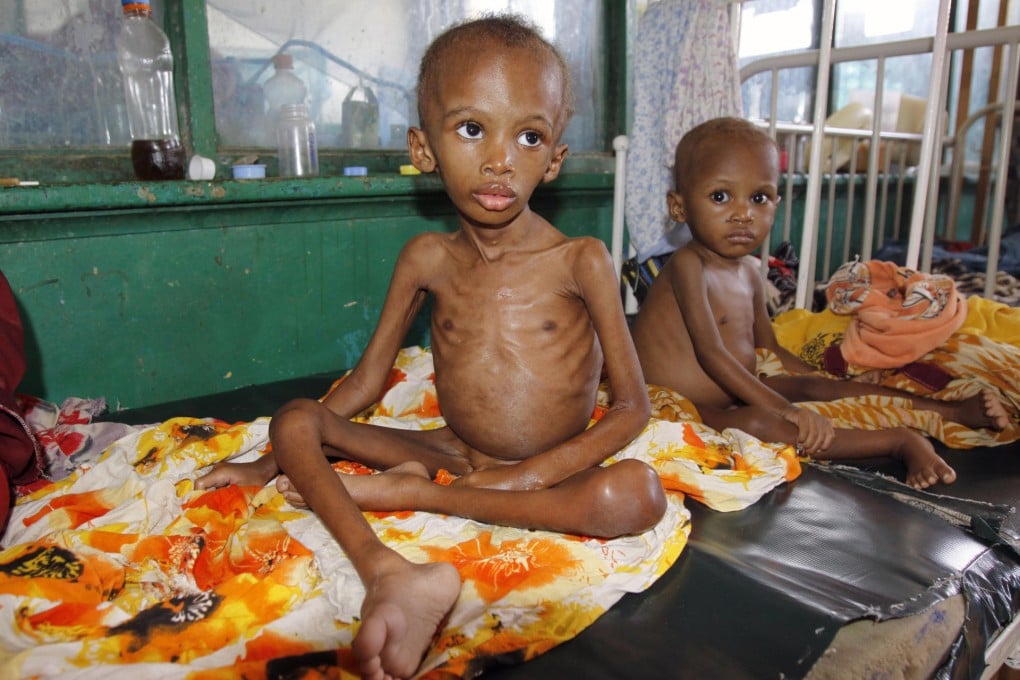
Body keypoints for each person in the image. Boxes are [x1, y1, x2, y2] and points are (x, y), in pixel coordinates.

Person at [195, 14, 666, 680]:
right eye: (472, 129)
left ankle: (418, 497)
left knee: (636, 496)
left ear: (554, 160)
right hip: (451, 448)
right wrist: (267, 465)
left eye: (529, 136)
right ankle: (386, 571)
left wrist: (530, 475)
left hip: (548, 468)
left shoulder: (580, 260)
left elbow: (632, 407)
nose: (500, 159)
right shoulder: (426, 258)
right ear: (423, 149)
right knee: (296, 420)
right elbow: (365, 383)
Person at [630, 116, 1008, 493]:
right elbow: (711, 354)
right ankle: (899, 441)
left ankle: (952, 411)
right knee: (760, 424)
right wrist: (785, 409)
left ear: (776, 202)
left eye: (759, 198)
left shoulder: (748, 272)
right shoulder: (688, 265)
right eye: (720, 197)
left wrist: (825, 380)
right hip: (680, 405)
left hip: (737, 390)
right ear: (679, 207)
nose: (744, 213)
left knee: (813, 386)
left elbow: (769, 347)